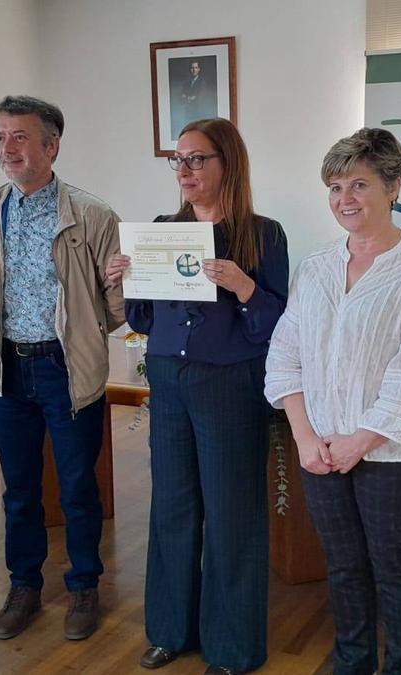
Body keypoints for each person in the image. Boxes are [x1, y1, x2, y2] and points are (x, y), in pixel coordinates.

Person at [264, 128, 401, 675]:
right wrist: (304, 436)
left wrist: (360, 440)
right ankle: (351, 664)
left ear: (394, 187)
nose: (345, 199)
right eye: (335, 186)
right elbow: (284, 354)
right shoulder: (316, 267)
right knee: (343, 566)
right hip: (319, 445)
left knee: (394, 568)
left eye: (360, 184)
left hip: (393, 449)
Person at [104, 118, 289, 675]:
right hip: (167, 376)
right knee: (173, 505)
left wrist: (244, 286)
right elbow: (140, 318)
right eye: (177, 160)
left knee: (232, 512)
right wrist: (126, 280)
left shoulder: (265, 234)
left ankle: (232, 648)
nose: (184, 171)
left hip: (231, 382)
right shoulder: (161, 229)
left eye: (196, 159)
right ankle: (169, 630)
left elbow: (278, 324)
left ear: (227, 162)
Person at [0, 95, 124, 644]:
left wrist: (83, 324)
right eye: (0, 137)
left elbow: (117, 305)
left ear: (51, 146)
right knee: (19, 487)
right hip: (7, 366)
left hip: (65, 366)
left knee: (78, 486)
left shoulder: (92, 215)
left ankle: (83, 586)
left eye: (20, 137)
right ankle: (24, 585)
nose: (8, 149)